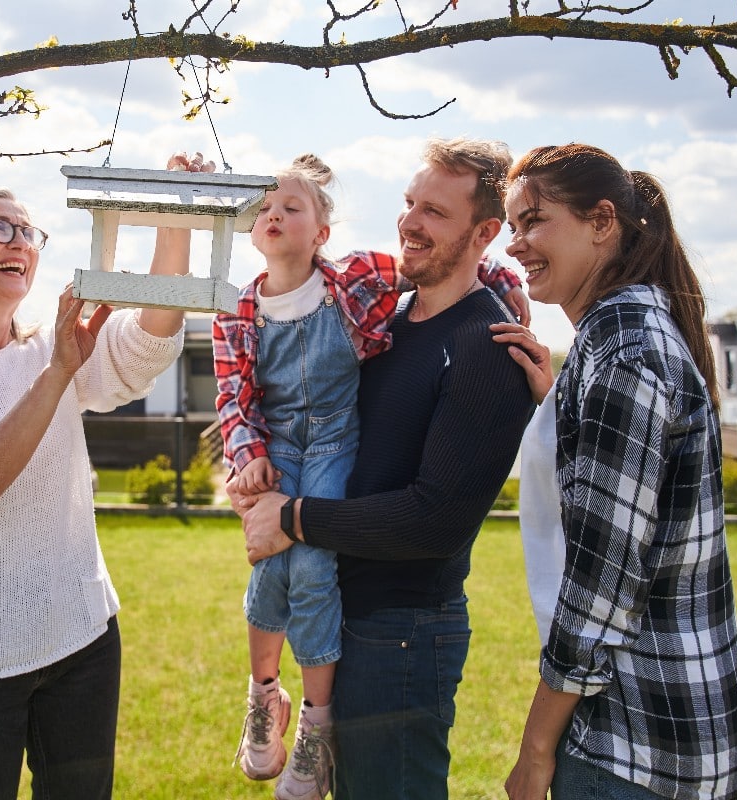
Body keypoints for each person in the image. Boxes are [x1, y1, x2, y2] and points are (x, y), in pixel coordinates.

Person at [0, 152, 211, 800]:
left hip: (82, 643)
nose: (21, 242)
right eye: (0, 227)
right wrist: (57, 373)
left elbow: (147, 342)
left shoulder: (47, 345)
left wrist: (178, 218)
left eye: (29, 232)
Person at [216, 153, 529, 800]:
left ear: (483, 232)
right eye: (410, 202)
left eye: (435, 212)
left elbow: (433, 521)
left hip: (405, 633)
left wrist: (292, 518)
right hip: (341, 605)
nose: (409, 222)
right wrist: (251, 466)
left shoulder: (487, 345)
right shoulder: (384, 321)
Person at [490, 143, 737, 800]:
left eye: (534, 221)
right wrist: (559, 405)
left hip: (639, 748)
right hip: (672, 739)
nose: (516, 244)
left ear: (602, 221)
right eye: (511, 227)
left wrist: (534, 752)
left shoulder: (625, 356)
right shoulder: (621, 340)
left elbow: (600, 594)